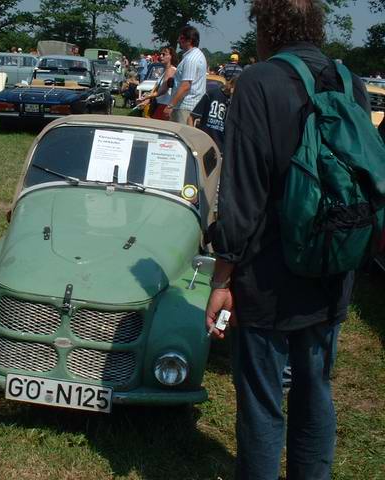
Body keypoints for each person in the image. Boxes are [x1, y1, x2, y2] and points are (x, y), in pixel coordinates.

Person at [205, 1, 371, 478]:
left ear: (267, 26)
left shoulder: (257, 82)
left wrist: (222, 275)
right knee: (316, 389)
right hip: (333, 264)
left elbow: (242, 193)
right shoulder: (348, 80)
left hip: (268, 274)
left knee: (261, 399)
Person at [187, 68, 239, 153]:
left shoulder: (236, 102)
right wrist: (192, 138)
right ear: (231, 85)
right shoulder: (212, 94)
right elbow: (191, 117)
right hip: (204, 143)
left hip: (221, 148)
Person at [165, 25, 207, 124]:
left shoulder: (191, 59)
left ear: (190, 40)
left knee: (179, 136)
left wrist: (170, 105)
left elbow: (186, 86)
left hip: (185, 108)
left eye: (181, 38)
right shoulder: (197, 55)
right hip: (189, 106)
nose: (179, 40)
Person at [138, 46, 177, 120]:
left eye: (164, 54)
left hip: (164, 106)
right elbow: (157, 89)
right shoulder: (165, 71)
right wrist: (147, 100)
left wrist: (148, 96)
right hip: (159, 104)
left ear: (171, 56)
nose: (161, 56)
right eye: (161, 54)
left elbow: (162, 90)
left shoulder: (171, 70)